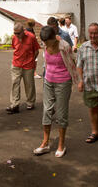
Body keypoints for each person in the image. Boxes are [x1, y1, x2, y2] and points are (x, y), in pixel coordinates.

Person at [33, 26, 78, 158]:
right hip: (48, 81)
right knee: (46, 111)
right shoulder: (45, 44)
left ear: (54, 38)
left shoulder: (64, 46)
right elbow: (46, 62)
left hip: (63, 82)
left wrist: (78, 81)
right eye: (43, 42)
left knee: (61, 113)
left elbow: (72, 63)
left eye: (47, 42)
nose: (45, 44)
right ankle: (45, 143)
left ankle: (61, 144)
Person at [6, 22, 40, 114]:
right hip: (16, 64)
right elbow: (15, 48)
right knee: (15, 84)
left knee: (29, 85)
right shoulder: (14, 38)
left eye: (18, 33)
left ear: (23, 31)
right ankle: (14, 104)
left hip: (28, 65)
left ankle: (30, 102)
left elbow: (36, 50)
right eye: (15, 33)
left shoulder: (31, 37)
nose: (16, 35)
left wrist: (32, 60)